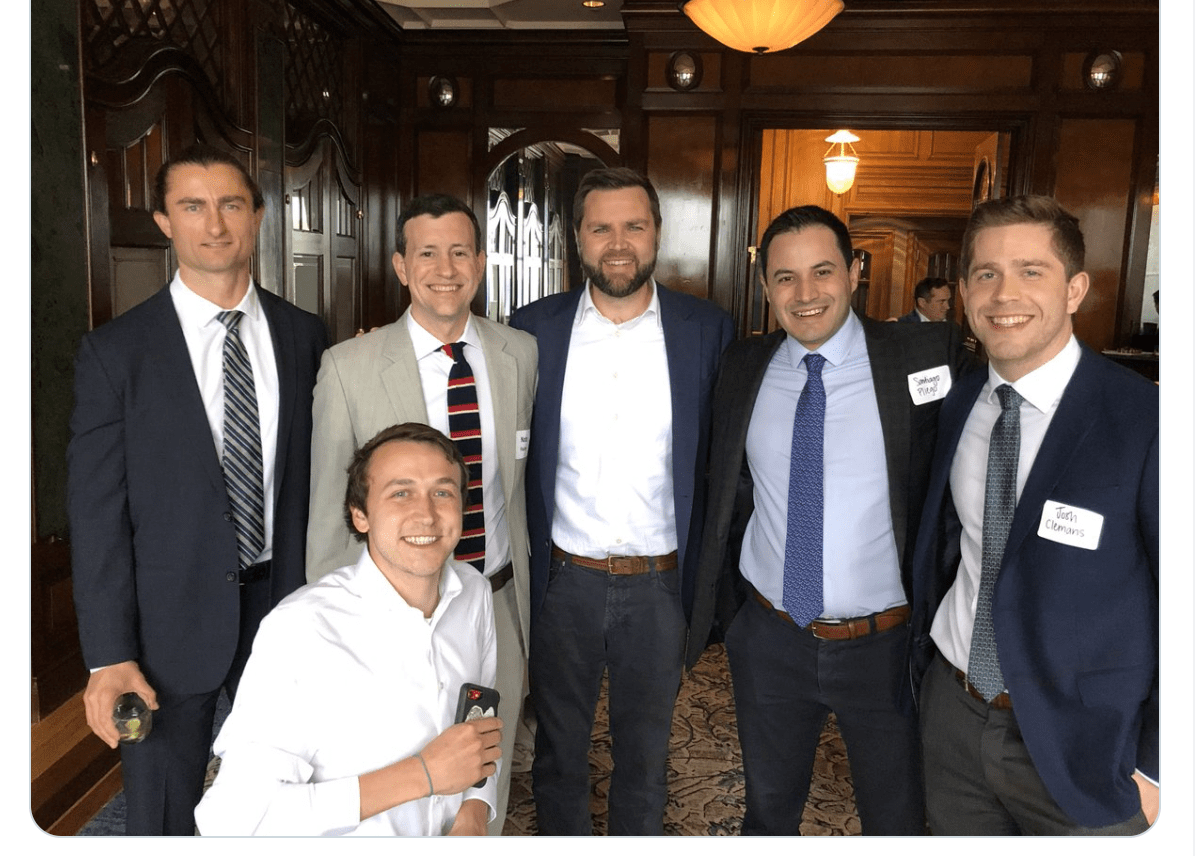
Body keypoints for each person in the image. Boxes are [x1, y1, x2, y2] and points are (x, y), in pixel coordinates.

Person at [66, 143, 328, 835]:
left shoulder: (305, 336)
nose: (214, 223)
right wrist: (108, 654)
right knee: (159, 809)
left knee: (288, 793)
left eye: (231, 204)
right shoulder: (116, 353)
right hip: (163, 626)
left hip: (284, 604)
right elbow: (96, 516)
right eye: (192, 206)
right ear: (163, 221)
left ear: (259, 215)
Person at [687, 204, 966, 835]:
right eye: (785, 278)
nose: (805, 294)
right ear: (765, 288)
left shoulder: (921, 360)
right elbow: (729, 492)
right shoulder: (743, 367)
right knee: (766, 815)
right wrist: (736, 620)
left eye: (822, 271)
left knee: (897, 821)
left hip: (886, 646)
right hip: (771, 638)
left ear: (855, 272)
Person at [910, 195, 1158, 834]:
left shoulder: (1146, 422)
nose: (1004, 293)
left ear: (1075, 289)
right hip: (954, 714)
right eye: (986, 274)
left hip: (1088, 747)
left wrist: (1160, 762)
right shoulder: (961, 401)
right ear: (964, 292)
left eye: (1031, 271)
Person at [509, 167, 733, 835]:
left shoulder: (706, 330)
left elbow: (722, 463)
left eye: (633, 226)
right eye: (600, 227)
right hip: (562, 581)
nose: (617, 242)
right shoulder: (533, 329)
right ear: (577, 239)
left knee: (646, 757)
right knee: (558, 755)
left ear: (656, 234)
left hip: (660, 586)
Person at [305, 193, 537, 835]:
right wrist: (333, 628)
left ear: (482, 262)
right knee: (393, 782)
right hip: (391, 618)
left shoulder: (521, 355)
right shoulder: (349, 367)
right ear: (401, 266)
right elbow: (332, 510)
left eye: (460, 251)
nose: (445, 267)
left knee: (484, 783)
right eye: (426, 252)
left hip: (493, 601)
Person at [195, 422, 503, 836]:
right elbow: (230, 819)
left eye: (443, 492)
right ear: (361, 515)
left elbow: (479, 725)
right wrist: (422, 775)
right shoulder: (301, 630)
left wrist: (475, 810)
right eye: (401, 492)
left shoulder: (474, 594)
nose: (426, 514)